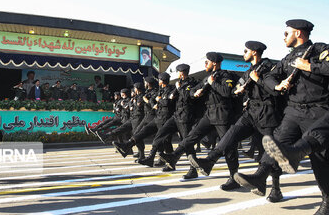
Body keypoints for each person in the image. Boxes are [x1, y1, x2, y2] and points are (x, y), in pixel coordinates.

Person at [233, 19, 329, 208]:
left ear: (298, 34)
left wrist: (309, 67)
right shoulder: (287, 59)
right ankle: (260, 176)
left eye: (287, 33)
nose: (283, 37)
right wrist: (277, 84)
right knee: (276, 143)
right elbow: (270, 76)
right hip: (293, 110)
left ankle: (326, 201)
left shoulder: (319, 50)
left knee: (320, 161)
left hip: (318, 110)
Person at [189, 43, 283, 198]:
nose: (243, 53)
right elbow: (233, 91)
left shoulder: (268, 68)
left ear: (254, 52)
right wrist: (238, 91)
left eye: (246, 51)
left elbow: (275, 90)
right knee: (230, 135)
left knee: (268, 152)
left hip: (267, 114)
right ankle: (209, 161)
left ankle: (275, 188)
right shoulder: (247, 72)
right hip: (251, 113)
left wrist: (258, 80)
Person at [160, 53, 238, 182]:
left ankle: (233, 177)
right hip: (209, 113)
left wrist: (213, 83)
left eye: (207, 62)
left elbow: (226, 92)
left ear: (214, 63)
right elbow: (192, 91)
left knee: (228, 146)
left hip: (222, 114)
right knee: (192, 136)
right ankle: (174, 156)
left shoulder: (225, 76)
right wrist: (195, 93)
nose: (205, 64)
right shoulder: (207, 78)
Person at [262, 111, 329, 214]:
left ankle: (296, 153)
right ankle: (261, 176)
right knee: (278, 141)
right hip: (296, 109)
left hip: (317, 108)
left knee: (320, 159)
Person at [112, 72, 176, 167]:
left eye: (159, 79)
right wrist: (154, 102)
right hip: (157, 116)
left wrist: (155, 100)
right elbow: (155, 101)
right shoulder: (160, 91)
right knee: (143, 131)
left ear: (162, 81)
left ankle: (167, 161)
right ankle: (127, 145)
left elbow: (165, 102)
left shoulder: (170, 90)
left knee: (164, 141)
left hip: (166, 118)